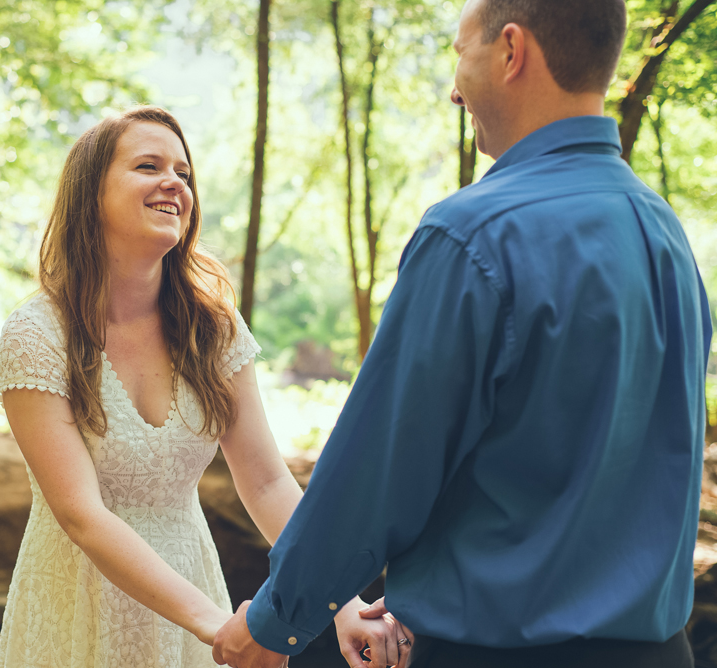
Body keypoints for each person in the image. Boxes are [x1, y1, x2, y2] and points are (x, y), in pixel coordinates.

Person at [212, 1, 711, 667]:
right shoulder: (665, 236)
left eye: (460, 53)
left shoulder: (474, 235)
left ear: (511, 51)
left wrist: (277, 620)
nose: (454, 87)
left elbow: (379, 469)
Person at [0, 106, 407, 667]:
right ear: (91, 193)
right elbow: (81, 514)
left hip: (192, 583)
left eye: (184, 173)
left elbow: (267, 482)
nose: (173, 184)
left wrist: (341, 604)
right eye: (148, 166)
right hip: (77, 604)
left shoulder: (215, 328)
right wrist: (218, 626)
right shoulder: (37, 334)